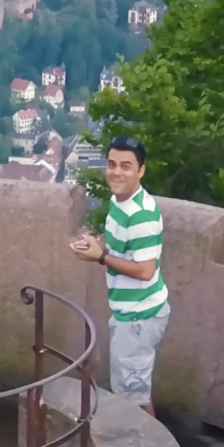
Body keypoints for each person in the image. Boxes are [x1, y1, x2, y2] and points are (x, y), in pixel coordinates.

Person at [69, 134, 170, 416]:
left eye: (126, 166)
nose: (116, 171)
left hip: (139, 315)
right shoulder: (120, 201)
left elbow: (145, 270)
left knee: (133, 398)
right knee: (132, 389)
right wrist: (95, 242)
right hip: (132, 313)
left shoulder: (141, 215)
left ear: (141, 171)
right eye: (112, 164)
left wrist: (99, 257)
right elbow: (119, 243)